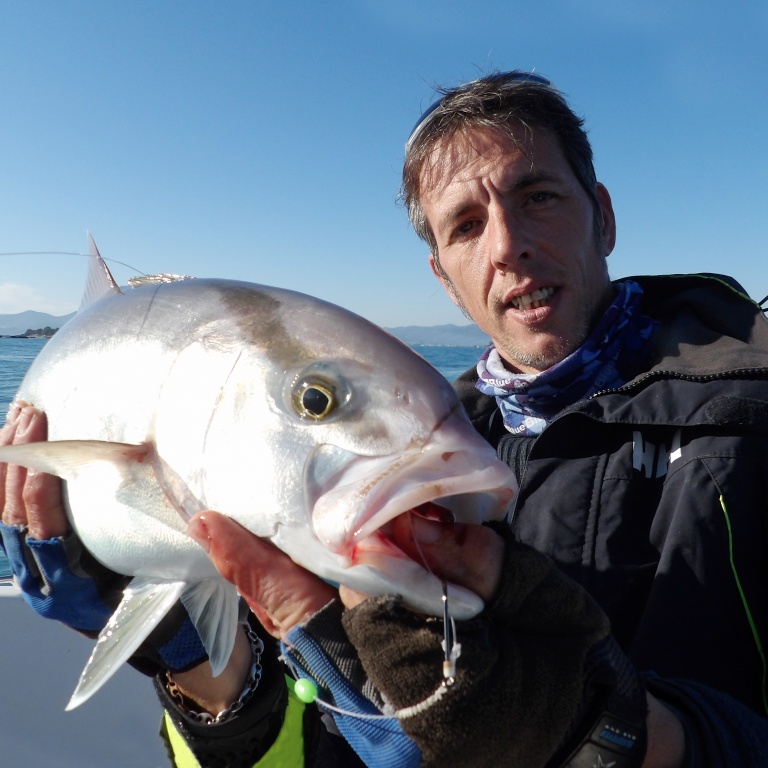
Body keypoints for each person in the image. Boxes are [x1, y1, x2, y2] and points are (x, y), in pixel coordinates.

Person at [3, 70, 768, 767]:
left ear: (601, 217)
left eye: (538, 196)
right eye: (465, 225)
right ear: (442, 275)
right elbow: (321, 748)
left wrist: (609, 737)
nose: (509, 245)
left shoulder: (750, 417)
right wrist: (197, 666)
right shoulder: (384, 483)